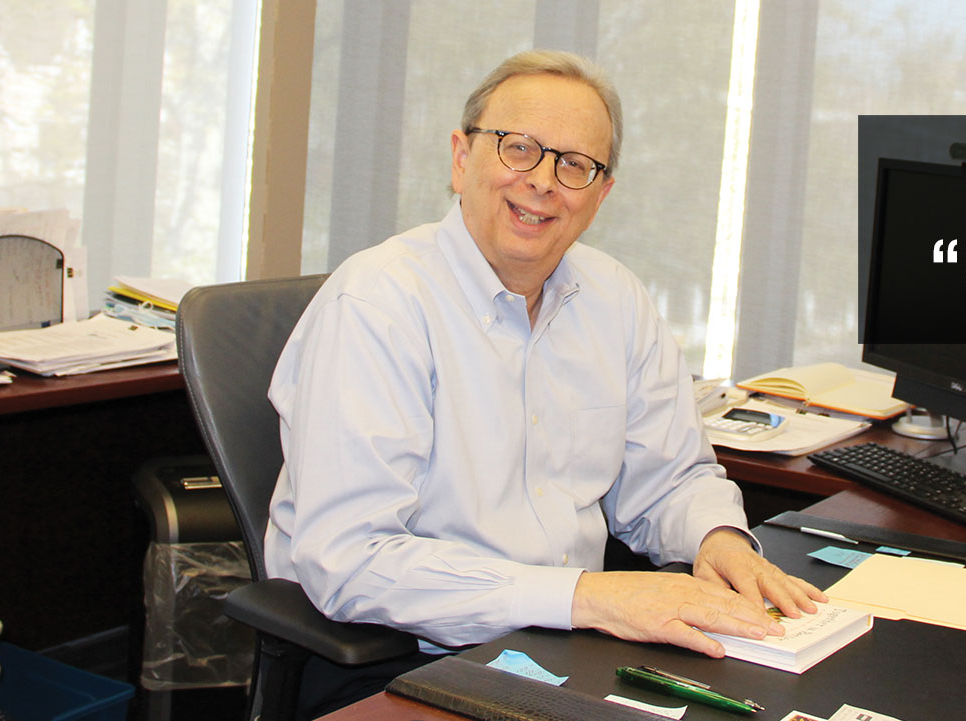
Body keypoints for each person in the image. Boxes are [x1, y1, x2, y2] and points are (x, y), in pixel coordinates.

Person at [266, 49, 826, 717]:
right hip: (397, 660)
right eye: (518, 148)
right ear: (460, 157)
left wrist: (718, 539)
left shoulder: (615, 300)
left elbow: (671, 479)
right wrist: (588, 596)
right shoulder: (376, 306)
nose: (542, 182)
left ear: (600, 194)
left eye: (575, 165)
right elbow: (351, 561)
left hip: (569, 648)